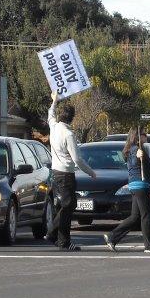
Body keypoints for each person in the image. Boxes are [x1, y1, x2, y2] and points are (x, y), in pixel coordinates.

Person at [46, 91, 97, 251]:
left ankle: (57, 236)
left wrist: (54, 101)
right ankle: (60, 238)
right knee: (68, 205)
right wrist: (91, 172)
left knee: (67, 204)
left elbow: (50, 114)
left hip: (55, 171)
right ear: (72, 118)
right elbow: (77, 159)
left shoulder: (54, 127)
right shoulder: (68, 134)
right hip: (66, 173)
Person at [103, 129, 150, 253]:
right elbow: (136, 163)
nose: (146, 136)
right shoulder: (136, 150)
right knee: (146, 216)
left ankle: (112, 236)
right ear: (137, 136)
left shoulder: (130, 149)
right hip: (140, 185)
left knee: (135, 216)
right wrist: (138, 156)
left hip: (135, 185)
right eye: (144, 134)